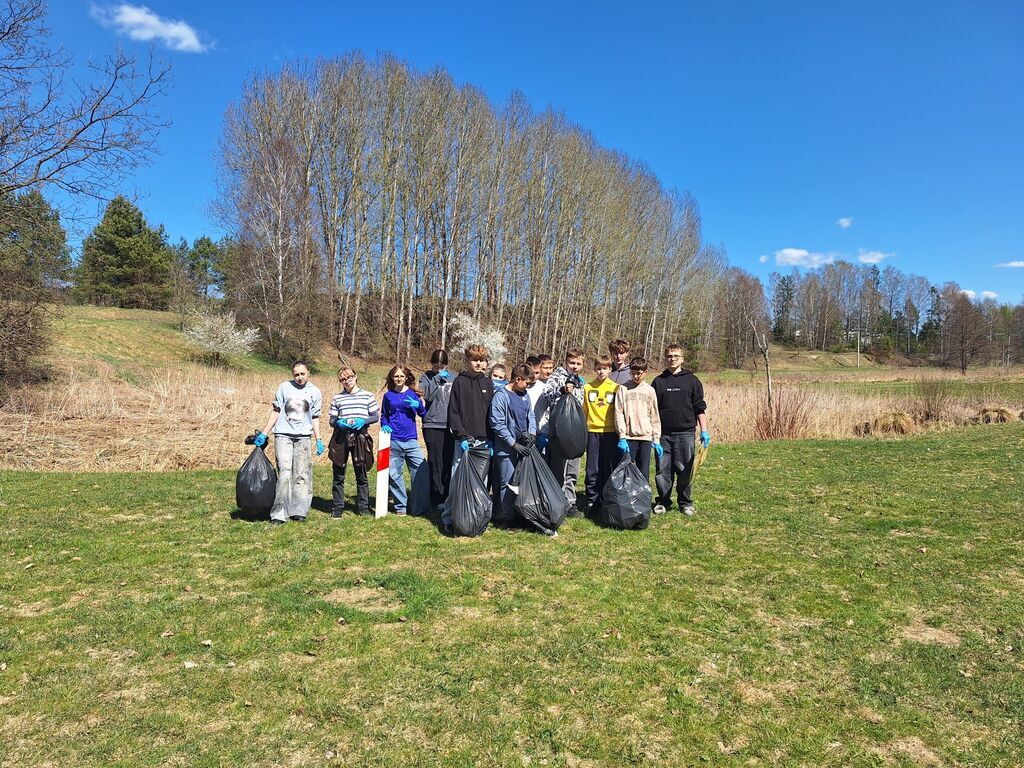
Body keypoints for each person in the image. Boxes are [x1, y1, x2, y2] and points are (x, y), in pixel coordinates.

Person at [255, 360, 323, 525]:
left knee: (302, 474)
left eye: (303, 374)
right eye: (296, 374)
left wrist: (318, 438)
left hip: (303, 437)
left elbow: (315, 417)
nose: (300, 377)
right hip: (283, 435)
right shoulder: (284, 387)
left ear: (308, 373)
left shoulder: (315, 392)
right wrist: (265, 432)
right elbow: (276, 411)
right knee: (285, 473)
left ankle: (299, 510)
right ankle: (279, 513)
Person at [651, 344, 710, 516]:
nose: (672, 359)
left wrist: (704, 431)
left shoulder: (692, 380)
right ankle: (663, 501)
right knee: (663, 470)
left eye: (676, 356)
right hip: (663, 435)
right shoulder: (658, 381)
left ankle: (685, 502)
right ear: (665, 358)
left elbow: (700, 407)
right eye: (669, 356)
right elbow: (653, 409)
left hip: (686, 433)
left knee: (685, 469)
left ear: (682, 359)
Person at [443, 344, 495, 535]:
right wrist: (460, 435)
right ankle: (450, 518)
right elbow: (454, 412)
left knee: (481, 482)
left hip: (483, 441)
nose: (478, 363)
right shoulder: (459, 382)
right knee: (457, 479)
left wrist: (491, 438)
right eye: (474, 360)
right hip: (464, 440)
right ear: (467, 360)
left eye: (481, 360)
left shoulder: (488, 383)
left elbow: (491, 413)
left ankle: (477, 517)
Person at [327, 366, 379, 517]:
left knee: (361, 472)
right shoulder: (337, 398)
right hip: (341, 437)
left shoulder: (367, 396)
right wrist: (339, 422)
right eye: (343, 379)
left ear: (355, 376)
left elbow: (375, 416)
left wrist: (363, 421)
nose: (346, 381)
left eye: (349, 377)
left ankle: (363, 506)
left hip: (360, 436)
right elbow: (331, 420)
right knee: (338, 473)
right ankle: (338, 507)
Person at [541, 348, 586, 517]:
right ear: (566, 362)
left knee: (573, 468)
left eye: (578, 364)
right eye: (572, 363)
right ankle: (557, 501)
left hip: (575, 429)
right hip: (559, 429)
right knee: (558, 468)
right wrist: (562, 390)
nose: (574, 366)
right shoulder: (557, 376)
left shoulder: (581, 381)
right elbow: (546, 394)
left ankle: (570, 502)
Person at [489, 364, 537, 517]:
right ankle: (505, 516)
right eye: (527, 383)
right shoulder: (501, 396)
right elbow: (497, 423)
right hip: (506, 448)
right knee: (508, 483)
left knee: (520, 483)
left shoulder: (524, 395)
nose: (528, 387)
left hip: (524, 446)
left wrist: (532, 433)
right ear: (518, 379)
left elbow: (531, 415)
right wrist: (513, 443)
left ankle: (517, 513)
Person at [380, 364, 427, 516]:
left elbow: (423, 414)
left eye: (401, 376)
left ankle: (419, 506)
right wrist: (385, 425)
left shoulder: (413, 394)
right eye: (396, 376)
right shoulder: (388, 396)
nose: (399, 379)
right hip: (393, 439)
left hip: (411, 440)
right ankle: (401, 506)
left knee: (421, 472)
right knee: (394, 474)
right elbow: (384, 416)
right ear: (392, 378)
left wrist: (418, 405)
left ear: (406, 377)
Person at [613, 356, 662, 481]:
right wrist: (622, 436)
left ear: (645, 372)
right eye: (633, 373)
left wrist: (656, 439)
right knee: (626, 470)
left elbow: (654, 416)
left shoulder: (650, 391)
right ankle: (626, 498)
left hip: (645, 437)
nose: (636, 376)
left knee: (643, 470)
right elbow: (618, 413)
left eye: (639, 373)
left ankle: (642, 498)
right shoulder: (623, 389)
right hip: (629, 437)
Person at [583, 355, 619, 515]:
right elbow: (584, 411)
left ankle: (606, 497)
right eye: (598, 368)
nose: (601, 371)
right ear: (594, 369)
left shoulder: (616, 388)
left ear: (610, 369)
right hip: (592, 431)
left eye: (604, 368)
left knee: (607, 466)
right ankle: (591, 498)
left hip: (610, 432)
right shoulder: (588, 388)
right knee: (592, 467)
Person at [419, 349, 455, 510]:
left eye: (441, 367)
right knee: (435, 461)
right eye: (435, 366)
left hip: (450, 425)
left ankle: (447, 494)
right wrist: (437, 379)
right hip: (432, 424)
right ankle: (436, 496)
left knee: (448, 460)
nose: (438, 369)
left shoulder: (454, 377)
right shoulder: (425, 378)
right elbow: (427, 396)